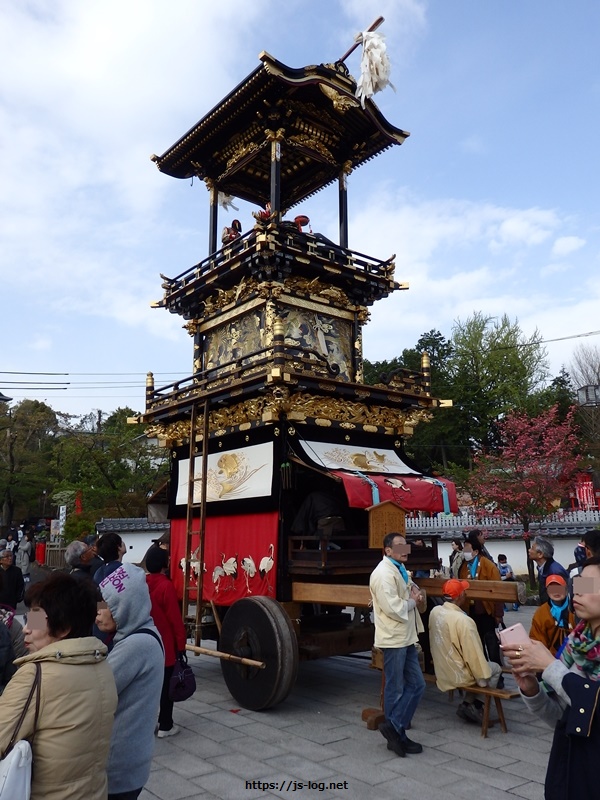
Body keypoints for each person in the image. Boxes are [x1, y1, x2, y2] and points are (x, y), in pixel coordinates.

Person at [0, 573, 118, 800]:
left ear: (63, 627)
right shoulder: (100, 664)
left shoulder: (36, 674)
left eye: (35, 620)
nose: (26, 629)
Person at [503, 556, 600, 799]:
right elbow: (564, 715)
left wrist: (549, 666)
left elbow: (592, 707)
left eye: (588, 585)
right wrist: (532, 689)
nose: (577, 592)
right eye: (577, 584)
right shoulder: (576, 642)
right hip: (568, 767)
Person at [96, 562, 164, 800]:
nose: (99, 612)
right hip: (132, 760)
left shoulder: (135, 646)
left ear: (126, 606)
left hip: (118, 766)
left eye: (106, 606)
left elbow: (96, 691)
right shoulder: (145, 632)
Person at [369, 532, 426, 757]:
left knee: (417, 684)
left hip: (406, 636)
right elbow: (393, 607)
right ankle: (397, 734)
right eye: (399, 546)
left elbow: (408, 589)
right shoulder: (383, 573)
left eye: (406, 545)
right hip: (393, 637)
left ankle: (394, 727)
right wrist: (413, 600)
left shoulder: (399, 570)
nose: (405, 550)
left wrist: (413, 591)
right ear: (388, 550)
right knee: (395, 686)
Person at [429, 578, 502, 723]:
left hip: (442, 668)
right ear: (460, 596)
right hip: (458, 672)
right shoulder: (463, 620)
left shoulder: (435, 611)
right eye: (464, 591)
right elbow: (473, 655)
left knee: (479, 666)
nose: (466, 594)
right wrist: (482, 676)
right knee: (495, 668)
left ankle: (467, 704)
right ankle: (475, 705)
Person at [145, 545, 188, 737]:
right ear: (164, 564)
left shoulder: (142, 583)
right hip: (165, 643)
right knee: (165, 687)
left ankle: (149, 722)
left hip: (146, 639)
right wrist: (181, 644)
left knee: (149, 686)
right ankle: (165, 725)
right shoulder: (166, 585)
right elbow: (175, 619)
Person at [458, 538, 504, 675]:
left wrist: (498, 614)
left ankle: (498, 675)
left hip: (487, 611)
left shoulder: (488, 565)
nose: (465, 553)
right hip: (470, 611)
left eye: (467, 550)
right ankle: (483, 672)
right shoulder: (463, 566)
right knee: (477, 645)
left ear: (476, 551)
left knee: (492, 645)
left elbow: (498, 589)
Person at [529, 574, 575, 656]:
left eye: (559, 588)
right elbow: (536, 640)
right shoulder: (541, 612)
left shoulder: (575, 608)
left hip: (575, 656)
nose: (556, 592)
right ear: (547, 591)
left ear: (566, 589)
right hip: (550, 657)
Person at [528, 535, 569, 604]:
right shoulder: (544, 567)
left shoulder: (554, 572)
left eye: (532, 548)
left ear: (540, 554)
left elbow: (558, 600)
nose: (529, 550)